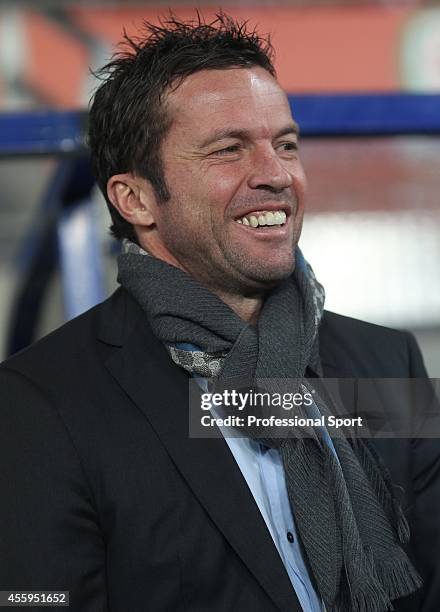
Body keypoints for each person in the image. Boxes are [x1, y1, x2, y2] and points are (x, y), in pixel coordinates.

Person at [0, 13, 438, 612]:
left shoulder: (388, 363)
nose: (277, 174)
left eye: (285, 144)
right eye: (228, 150)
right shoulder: (40, 404)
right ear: (136, 199)